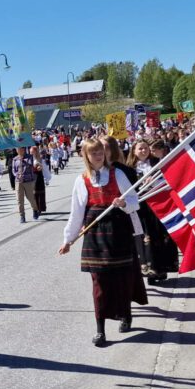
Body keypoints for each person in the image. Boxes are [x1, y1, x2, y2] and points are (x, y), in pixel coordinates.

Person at [58, 140, 146, 346]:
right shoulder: (82, 180)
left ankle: (126, 315)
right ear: (86, 156)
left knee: (122, 278)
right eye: (93, 153)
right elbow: (76, 213)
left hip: (118, 230)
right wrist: (68, 240)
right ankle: (100, 329)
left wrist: (124, 203)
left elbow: (135, 202)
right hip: (95, 233)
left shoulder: (118, 174)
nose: (98, 156)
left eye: (100, 152)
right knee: (99, 282)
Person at [126, 140, 178, 284]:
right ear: (134, 151)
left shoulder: (158, 164)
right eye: (140, 149)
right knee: (146, 238)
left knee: (160, 237)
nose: (143, 151)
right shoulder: (129, 168)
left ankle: (162, 270)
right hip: (141, 207)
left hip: (159, 205)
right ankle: (150, 272)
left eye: (145, 148)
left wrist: (154, 182)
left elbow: (168, 181)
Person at [12, 148, 39, 223]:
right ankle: (22, 216)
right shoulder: (15, 159)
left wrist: (23, 160)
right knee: (19, 200)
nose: (19, 150)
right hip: (18, 182)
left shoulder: (29, 157)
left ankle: (35, 209)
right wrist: (17, 175)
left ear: (23, 150)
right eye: (18, 149)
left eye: (20, 149)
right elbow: (13, 170)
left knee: (31, 198)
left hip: (28, 181)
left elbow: (33, 164)